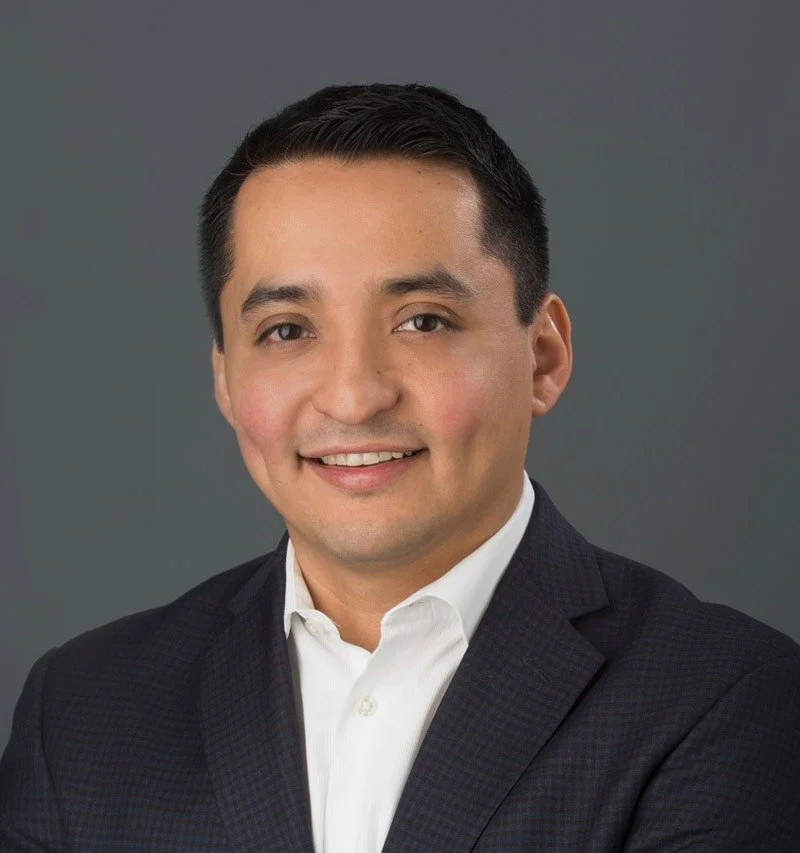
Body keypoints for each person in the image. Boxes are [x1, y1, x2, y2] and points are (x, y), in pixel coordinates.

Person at [1, 82, 798, 852]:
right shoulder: (80, 714)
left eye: (423, 320)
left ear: (543, 356)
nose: (352, 398)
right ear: (225, 378)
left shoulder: (727, 702)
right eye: (286, 330)